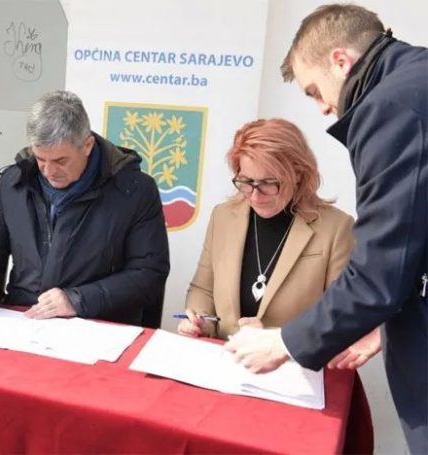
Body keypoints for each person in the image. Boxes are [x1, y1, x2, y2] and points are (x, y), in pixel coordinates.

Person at [224, 5, 427, 453]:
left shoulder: (390, 105)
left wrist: (284, 343)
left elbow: (377, 275)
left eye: (315, 91)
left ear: (340, 61)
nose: (323, 109)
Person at [0, 90, 170, 326]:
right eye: (40, 159)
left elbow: (148, 273)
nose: (49, 172)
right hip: (21, 319)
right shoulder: (14, 182)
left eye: (60, 161)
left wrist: (77, 300)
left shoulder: (135, 191)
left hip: (96, 325)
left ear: (87, 145)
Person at [178, 118, 356, 340]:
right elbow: (203, 289)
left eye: (268, 183)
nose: (255, 196)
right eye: (246, 181)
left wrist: (275, 338)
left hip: (290, 360)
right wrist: (200, 320)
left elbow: (341, 318)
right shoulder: (223, 216)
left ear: (298, 174)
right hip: (223, 356)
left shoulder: (336, 228)